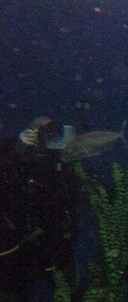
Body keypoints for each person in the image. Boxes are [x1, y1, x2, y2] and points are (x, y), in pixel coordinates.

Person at [0, 117, 79, 300]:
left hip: (52, 244)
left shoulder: (60, 162)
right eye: (42, 131)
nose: (48, 137)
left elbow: (74, 199)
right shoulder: (12, 152)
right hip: (13, 246)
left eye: (53, 132)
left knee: (72, 290)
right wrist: (18, 150)